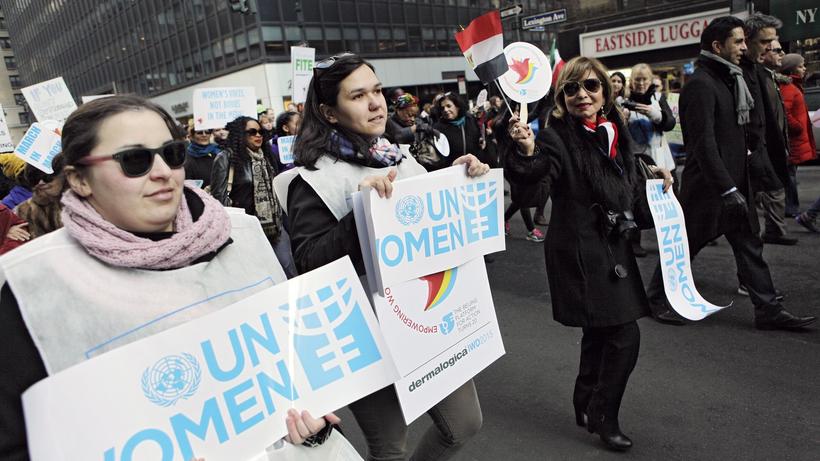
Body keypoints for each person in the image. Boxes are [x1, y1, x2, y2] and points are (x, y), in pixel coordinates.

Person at [0, 95, 332, 460]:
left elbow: (296, 368)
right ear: (79, 179)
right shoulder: (32, 284)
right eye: (134, 160)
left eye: (171, 154)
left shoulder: (244, 234)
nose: (163, 172)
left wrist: (317, 423)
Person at [281, 53, 487, 461]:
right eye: (358, 95)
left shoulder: (398, 155)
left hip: (426, 319)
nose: (377, 103)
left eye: (377, 90)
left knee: (464, 423)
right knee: (390, 446)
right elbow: (310, 263)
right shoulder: (311, 178)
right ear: (329, 112)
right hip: (361, 334)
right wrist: (364, 215)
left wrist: (461, 180)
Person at [503, 56, 673, 451]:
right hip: (580, 250)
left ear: (605, 93)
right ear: (562, 97)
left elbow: (623, 175)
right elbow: (536, 187)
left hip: (612, 244)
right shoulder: (554, 136)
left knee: (600, 330)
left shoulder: (615, 130)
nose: (582, 95)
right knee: (624, 333)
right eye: (572, 88)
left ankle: (584, 399)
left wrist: (651, 172)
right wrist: (527, 153)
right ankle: (603, 413)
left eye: (591, 86)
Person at [644, 16, 816, 330]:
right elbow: (703, 144)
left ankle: (768, 309)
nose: (743, 47)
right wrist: (725, 188)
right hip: (710, 188)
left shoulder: (731, 78)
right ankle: (655, 298)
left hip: (735, 183)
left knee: (750, 245)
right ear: (717, 46)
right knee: (685, 247)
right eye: (737, 42)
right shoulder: (700, 84)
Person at [210, 116, 297, 279]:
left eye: (261, 131)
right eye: (252, 132)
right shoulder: (226, 158)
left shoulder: (268, 155)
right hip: (246, 232)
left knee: (289, 271)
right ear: (240, 135)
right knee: (261, 277)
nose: (258, 135)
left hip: (275, 228)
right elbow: (219, 199)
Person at [740, 13, 796, 246]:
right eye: (765, 42)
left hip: (766, 147)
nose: (772, 47)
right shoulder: (740, 73)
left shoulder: (760, 71)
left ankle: (774, 231)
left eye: (773, 41)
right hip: (752, 151)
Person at [624, 63, 678, 257]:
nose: (640, 83)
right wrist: (623, 118)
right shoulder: (623, 100)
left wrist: (655, 114)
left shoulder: (658, 98)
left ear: (651, 80)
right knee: (636, 203)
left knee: (667, 202)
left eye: (644, 79)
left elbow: (670, 123)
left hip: (660, 159)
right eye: (637, 79)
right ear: (631, 81)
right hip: (636, 162)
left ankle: (669, 241)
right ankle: (634, 242)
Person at [780, 53, 817, 219]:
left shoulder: (795, 86)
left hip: (794, 139)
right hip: (792, 140)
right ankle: (791, 207)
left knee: (790, 174)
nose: (804, 69)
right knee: (790, 175)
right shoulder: (789, 88)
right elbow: (784, 112)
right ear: (792, 68)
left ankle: (790, 206)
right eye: (801, 66)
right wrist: (798, 127)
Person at [14, 158, 67, 239]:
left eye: (47, 177)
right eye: (34, 180)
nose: (40, 183)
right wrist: (7, 231)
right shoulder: (25, 210)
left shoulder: (85, 199)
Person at [433, 92, 487, 166]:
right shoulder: (438, 128)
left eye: (448, 106)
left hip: (474, 167)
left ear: (457, 106)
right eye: (442, 108)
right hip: (453, 170)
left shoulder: (471, 120)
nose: (445, 110)